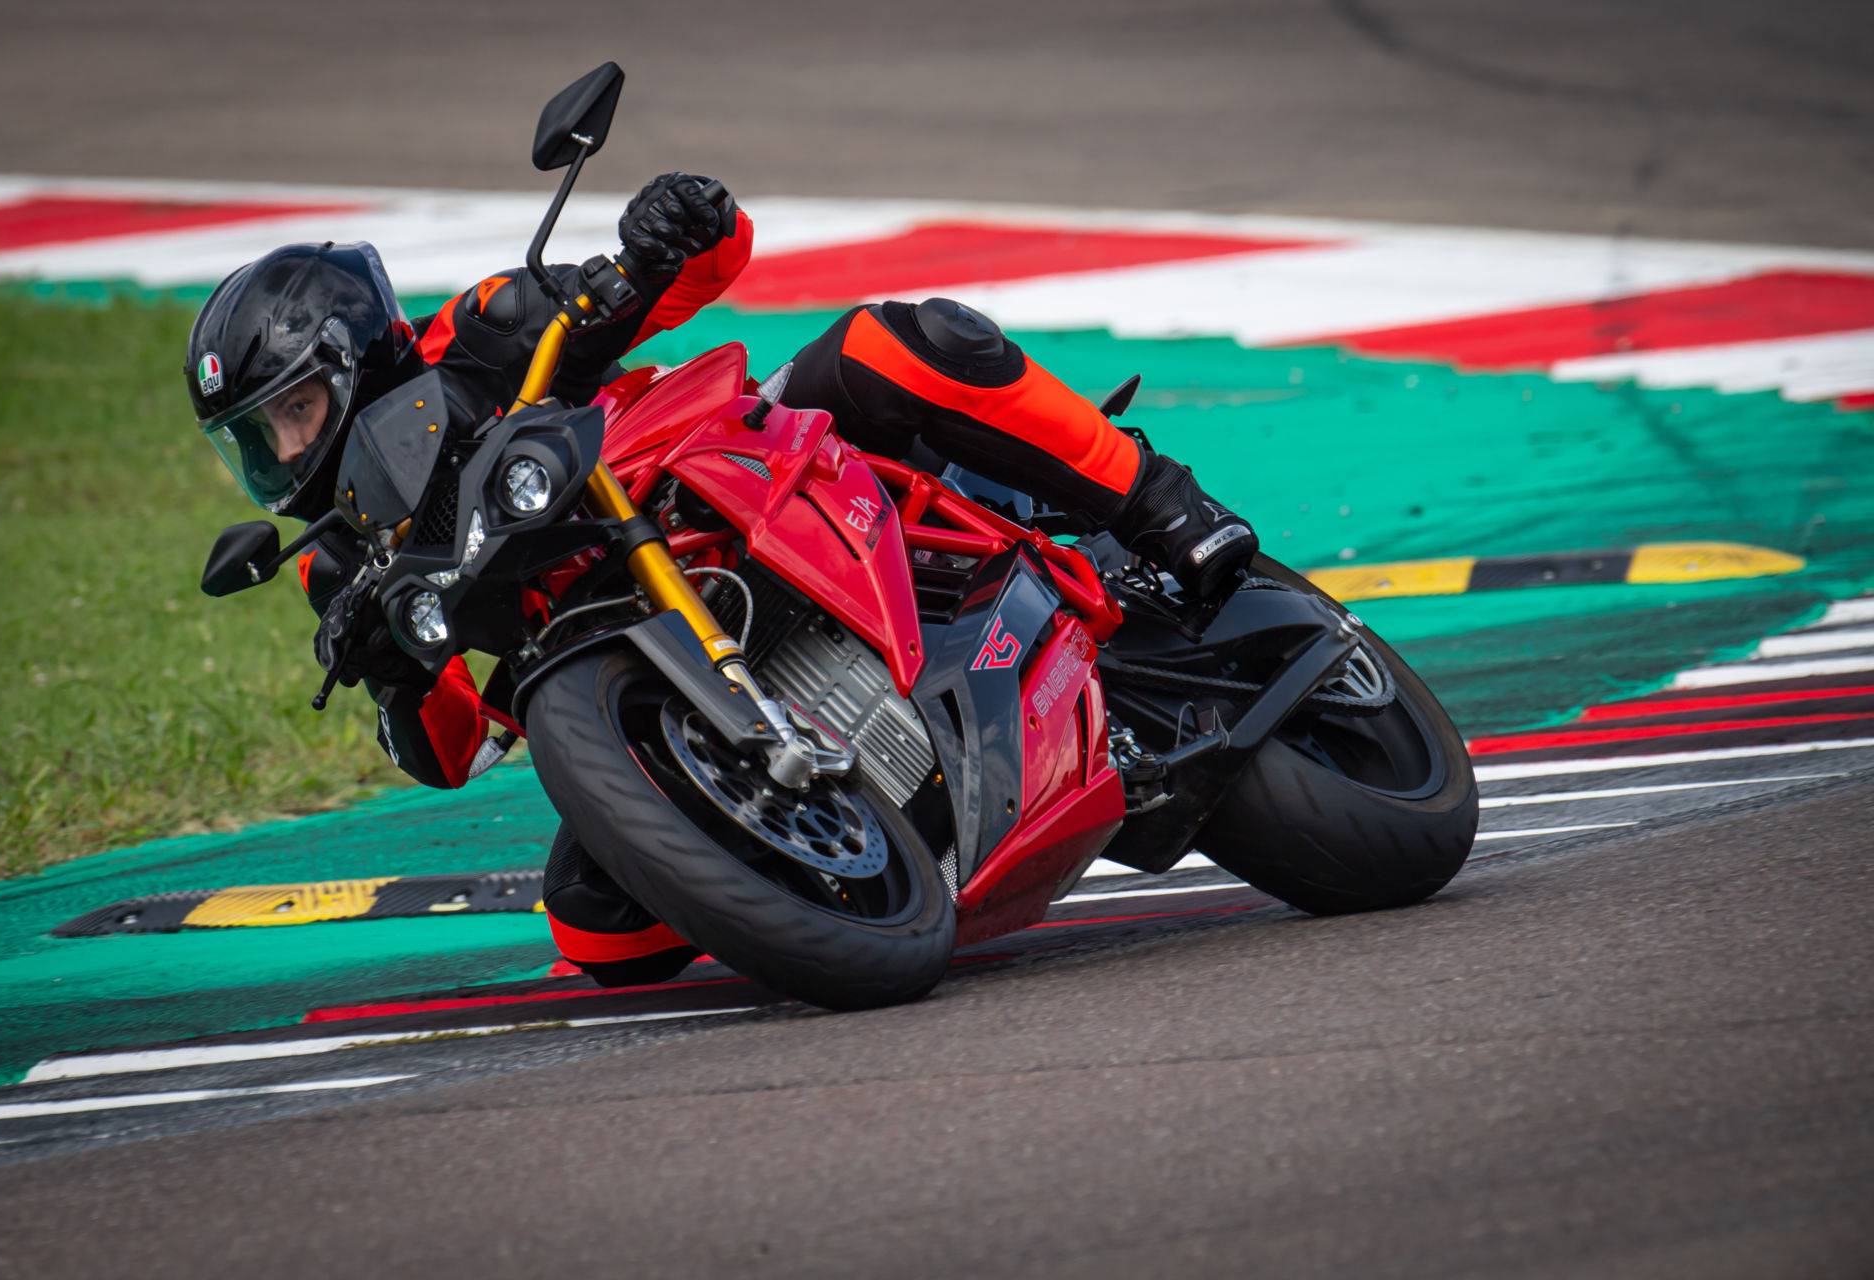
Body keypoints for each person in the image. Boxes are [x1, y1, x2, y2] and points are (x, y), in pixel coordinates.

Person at [185, 173, 1258, 987]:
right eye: (256, 438)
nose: (281, 453)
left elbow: (701, 269)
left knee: (898, 344)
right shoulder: (336, 560)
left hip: (726, 480)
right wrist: (394, 678)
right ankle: (842, 855)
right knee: (592, 925)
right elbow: (451, 748)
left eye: (290, 413)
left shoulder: (473, 336)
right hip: (620, 656)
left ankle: (1158, 500)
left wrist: (672, 230)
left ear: (352, 353)